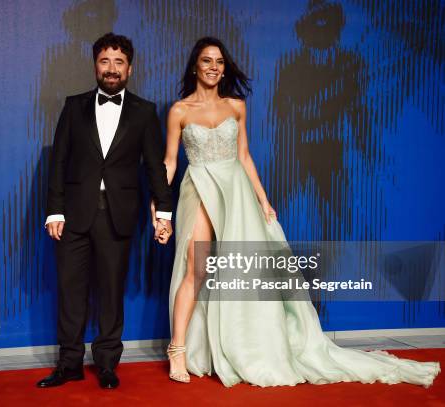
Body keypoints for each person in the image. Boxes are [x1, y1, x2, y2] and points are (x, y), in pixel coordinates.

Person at [162, 36, 440, 387]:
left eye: (219, 61)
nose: (214, 67)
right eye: (207, 61)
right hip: (200, 188)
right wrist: (161, 209)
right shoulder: (180, 110)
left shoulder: (236, 106)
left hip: (236, 191)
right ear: (195, 66)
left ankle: (239, 347)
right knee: (196, 267)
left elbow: (245, 157)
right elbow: (170, 163)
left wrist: (263, 200)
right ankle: (178, 349)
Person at [38, 32, 173, 390]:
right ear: (95, 65)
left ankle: (108, 364)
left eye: (118, 62)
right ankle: (68, 364)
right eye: (104, 61)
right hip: (74, 216)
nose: (111, 69)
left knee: (111, 293)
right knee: (70, 292)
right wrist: (55, 211)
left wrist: (165, 214)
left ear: (130, 67)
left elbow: (155, 168)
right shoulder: (74, 106)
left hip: (118, 215)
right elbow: (59, 161)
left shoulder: (145, 112)